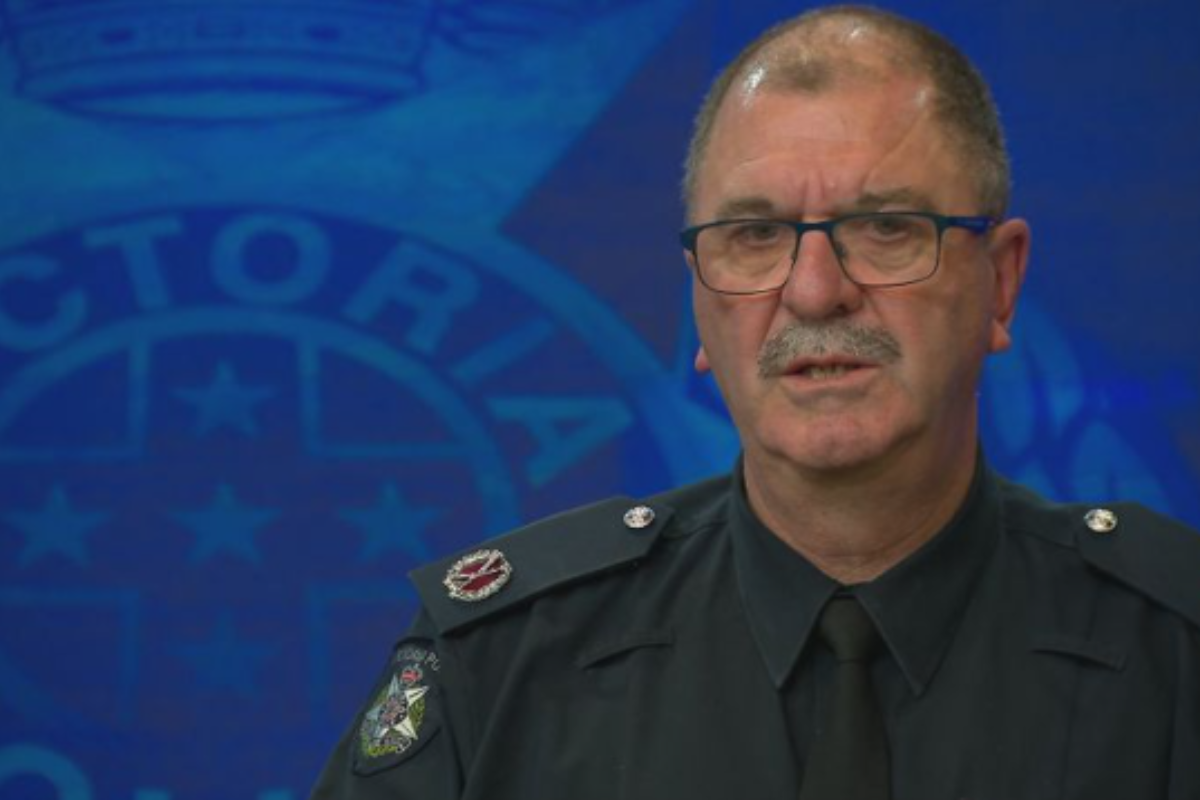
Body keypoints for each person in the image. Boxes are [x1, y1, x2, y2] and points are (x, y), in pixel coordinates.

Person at [309, 5, 1200, 799]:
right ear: (697, 300)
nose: (814, 292)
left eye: (886, 228)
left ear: (1000, 285)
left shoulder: (1178, 648)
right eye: (755, 235)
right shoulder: (501, 661)